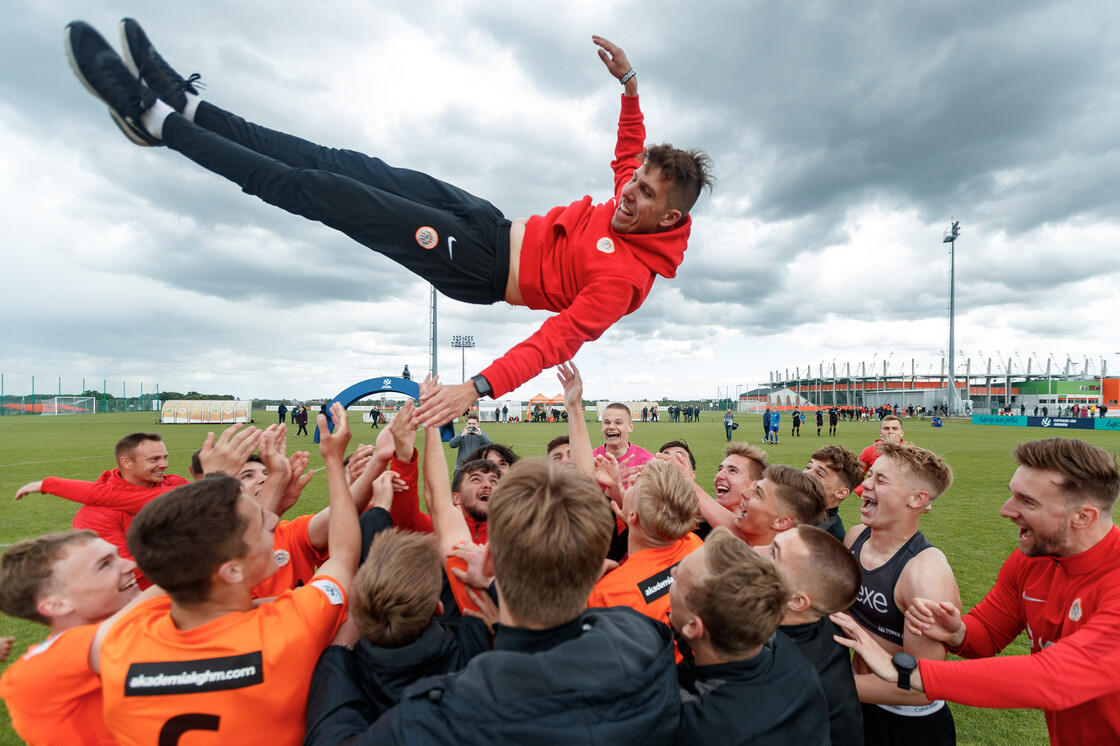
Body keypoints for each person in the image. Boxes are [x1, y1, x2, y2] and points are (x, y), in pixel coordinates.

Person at [66, 21, 712, 426]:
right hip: (487, 220)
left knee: (321, 191)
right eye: (631, 183)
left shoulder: (626, 280)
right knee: (340, 162)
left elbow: (557, 341)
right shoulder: (635, 192)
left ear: (671, 215)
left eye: (644, 192)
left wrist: (477, 388)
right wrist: (629, 85)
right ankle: (193, 106)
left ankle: (156, 122)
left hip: (480, 264)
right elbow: (633, 146)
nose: (627, 193)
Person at [330, 458, 680, 743]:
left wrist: (338, 654)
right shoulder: (646, 638)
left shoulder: (438, 714)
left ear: (488, 560)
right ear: (600, 569)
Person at [95, 403, 360, 743]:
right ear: (231, 569)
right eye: (261, 527)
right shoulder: (289, 626)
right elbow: (344, 555)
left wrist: (215, 486)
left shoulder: (123, 636)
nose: (271, 518)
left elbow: (179, 564)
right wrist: (334, 462)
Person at [835, 438, 1120, 745]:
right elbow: (987, 634)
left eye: (1027, 501)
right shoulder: (1029, 563)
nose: (1005, 510)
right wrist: (956, 631)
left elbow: (1057, 678)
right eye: (1012, 495)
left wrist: (910, 676)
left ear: (1083, 517)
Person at [844, 442, 960, 746]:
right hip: (856, 702)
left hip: (908, 723)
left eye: (880, 480)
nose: (864, 484)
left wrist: (827, 685)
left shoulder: (925, 573)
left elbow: (921, 686)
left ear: (917, 499)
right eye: (870, 475)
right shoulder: (856, 537)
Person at [670, 526, 829, 745]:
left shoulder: (694, 725)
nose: (672, 573)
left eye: (677, 580)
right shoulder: (794, 660)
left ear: (692, 627)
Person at [0, 531, 143, 745]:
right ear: (56, 605)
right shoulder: (35, 673)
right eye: (105, 565)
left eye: (117, 556)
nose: (131, 565)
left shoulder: (144, 627)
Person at [13, 431, 197, 588]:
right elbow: (126, 571)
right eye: (154, 459)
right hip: (156, 600)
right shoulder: (95, 515)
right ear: (126, 463)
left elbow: (117, 496)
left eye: (165, 458)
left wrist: (49, 484)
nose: (164, 464)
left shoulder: (175, 484)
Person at [770, 526, 864, 746]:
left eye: (774, 553)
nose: (756, 549)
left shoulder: (787, 673)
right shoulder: (810, 620)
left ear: (797, 601)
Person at [587, 459, 702, 634]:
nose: (630, 484)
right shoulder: (694, 544)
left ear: (633, 516)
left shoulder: (607, 593)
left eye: (635, 485)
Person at [805, 445, 864, 541]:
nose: (806, 474)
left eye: (819, 474)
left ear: (841, 492)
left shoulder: (826, 535)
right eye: (808, 467)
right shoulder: (801, 514)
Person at [594, 403, 655, 468]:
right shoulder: (589, 459)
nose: (611, 427)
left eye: (618, 423)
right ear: (602, 426)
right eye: (607, 422)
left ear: (630, 427)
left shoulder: (647, 461)